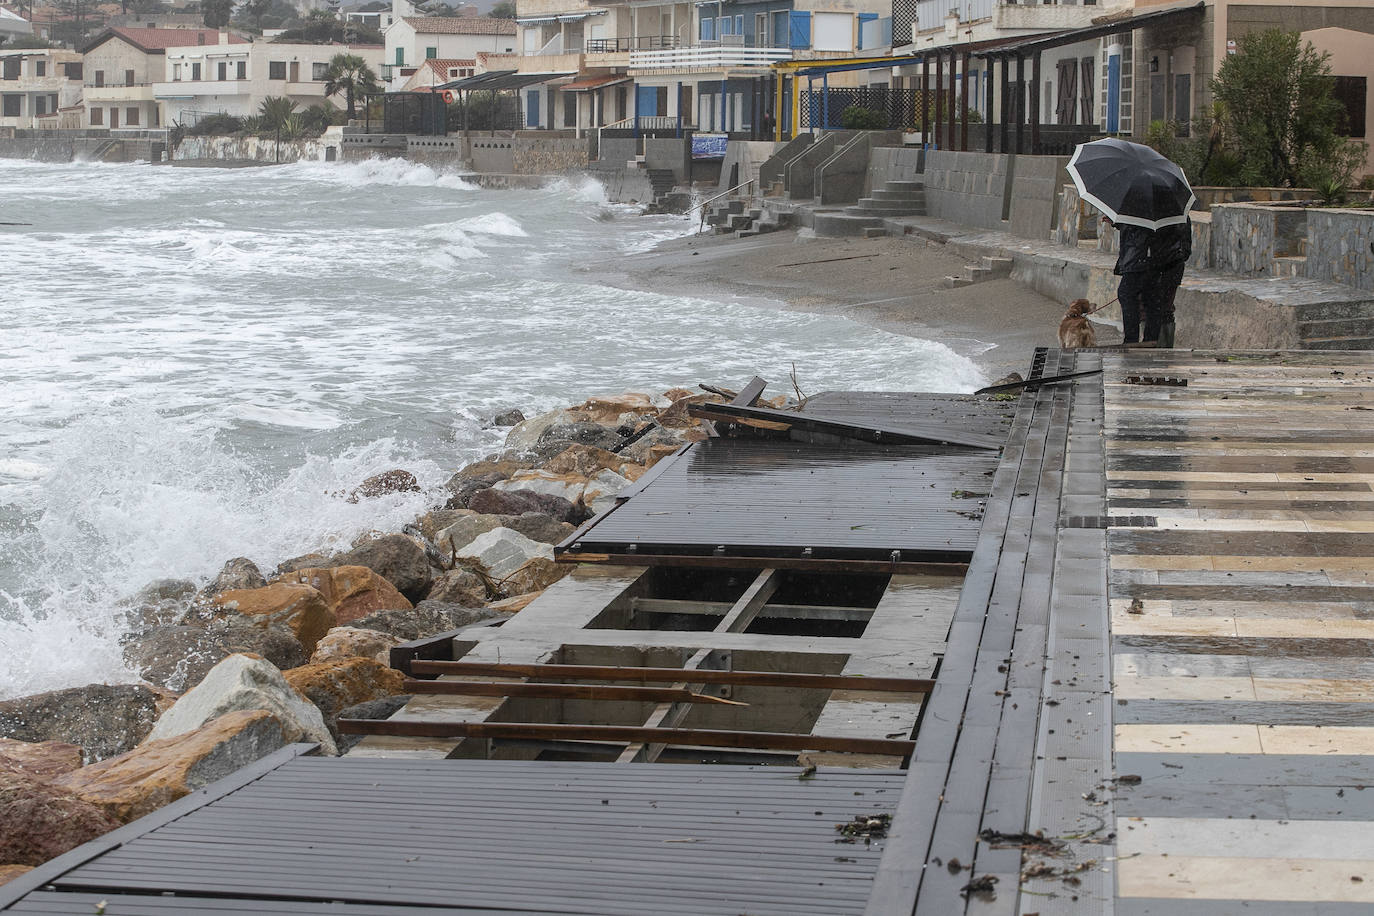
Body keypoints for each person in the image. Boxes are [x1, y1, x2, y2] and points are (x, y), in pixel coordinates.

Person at [1144, 216, 1191, 348]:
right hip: (1162, 268)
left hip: (1169, 269)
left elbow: (1185, 246)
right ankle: (1157, 343)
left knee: (1162, 308)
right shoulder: (1178, 216)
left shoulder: (1178, 217)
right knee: (1157, 308)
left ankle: (1160, 344)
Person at [1107, 217, 1153, 345]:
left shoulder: (1142, 208)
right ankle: (1146, 339)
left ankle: (1133, 340)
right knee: (1148, 302)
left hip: (1138, 259)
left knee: (1127, 295)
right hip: (1137, 259)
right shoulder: (1139, 209)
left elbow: (1138, 228)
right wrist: (1118, 223)